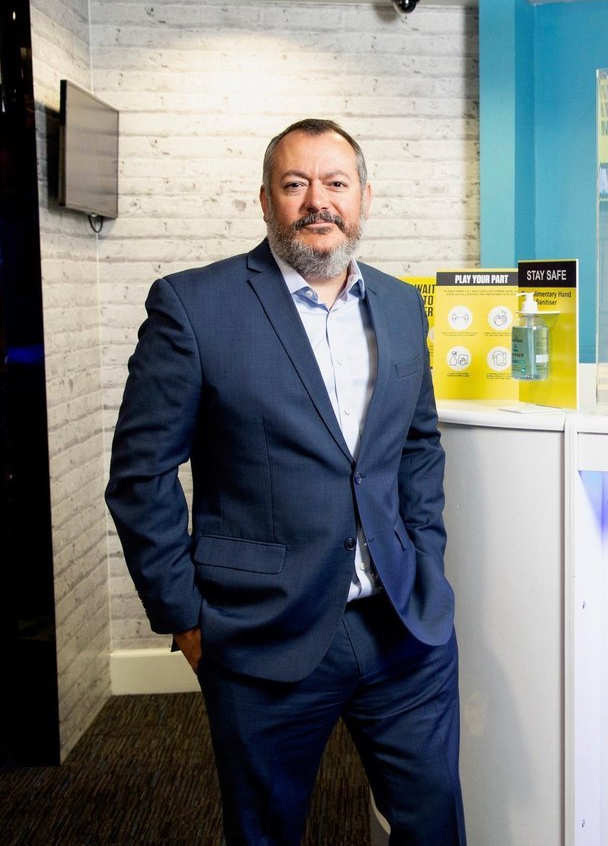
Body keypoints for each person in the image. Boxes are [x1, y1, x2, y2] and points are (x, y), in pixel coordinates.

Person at [105, 118, 465, 845]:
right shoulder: (192, 306)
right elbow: (140, 473)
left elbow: (418, 445)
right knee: (266, 831)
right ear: (266, 201)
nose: (317, 202)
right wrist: (185, 617)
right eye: (295, 184)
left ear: (365, 196)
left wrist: (426, 557)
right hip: (261, 634)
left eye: (335, 183)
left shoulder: (400, 304)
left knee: (434, 823)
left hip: (402, 624)